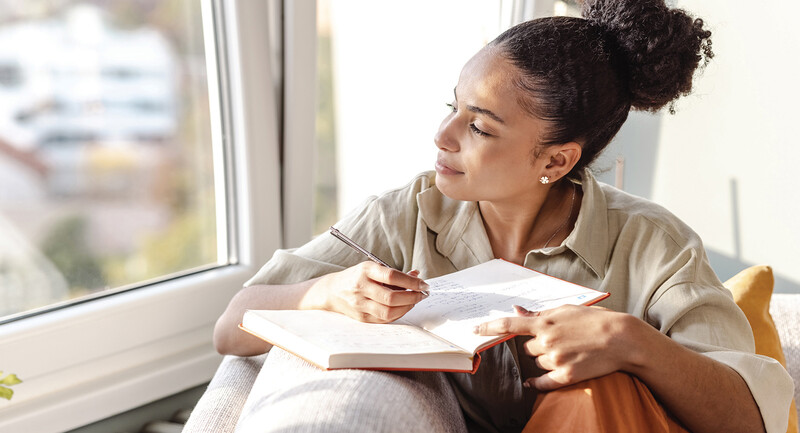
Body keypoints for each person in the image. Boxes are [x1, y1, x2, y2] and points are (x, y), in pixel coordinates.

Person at [214, 0, 794, 432]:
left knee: (598, 391)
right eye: (453, 106)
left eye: (479, 126)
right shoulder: (405, 215)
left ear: (555, 158)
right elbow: (231, 324)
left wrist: (631, 342)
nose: (441, 136)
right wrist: (328, 292)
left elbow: (751, 415)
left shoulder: (653, 244)